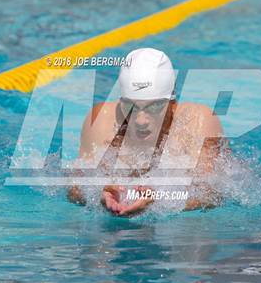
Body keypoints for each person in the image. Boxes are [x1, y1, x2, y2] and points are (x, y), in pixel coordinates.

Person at [68, 48, 225, 216]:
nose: (140, 120)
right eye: (130, 106)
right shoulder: (102, 119)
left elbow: (211, 193)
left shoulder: (198, 122)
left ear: (171, 101)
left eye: (154, 107)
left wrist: (159, 200)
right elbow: (75, 185)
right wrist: (98, 194)